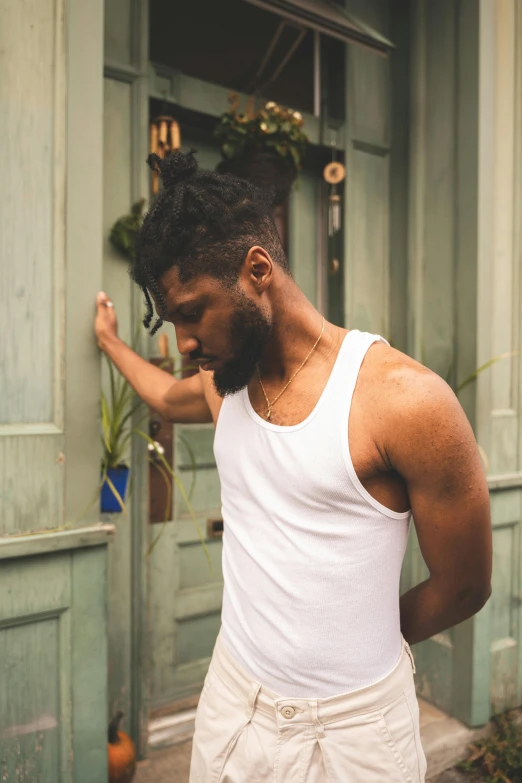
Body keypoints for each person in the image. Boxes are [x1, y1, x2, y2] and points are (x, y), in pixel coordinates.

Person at [95, 150, 492, 782]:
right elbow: (162, 394)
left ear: (257, 270)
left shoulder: (403, 401)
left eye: (192, 312)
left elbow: (466, 585)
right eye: (173, 323)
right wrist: (112, 343)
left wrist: (353, 645)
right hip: (233, 707)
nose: (185, 343)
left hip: (358, 730)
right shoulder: (219, 383)